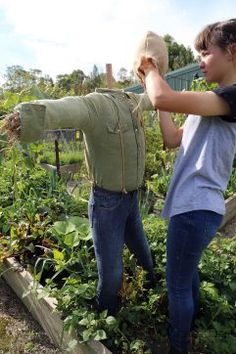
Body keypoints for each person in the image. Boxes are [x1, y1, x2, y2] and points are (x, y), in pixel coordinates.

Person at [2, 87, 157, 316]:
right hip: (107, 205)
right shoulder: (95, 105)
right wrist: (23, 117)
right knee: (112, 274)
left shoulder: (132, 100)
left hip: (131, 200)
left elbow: (155, 98)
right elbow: (65, 108)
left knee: (144, 255)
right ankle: (106, 319)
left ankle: (153, 295)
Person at [136, 19, 236, 354]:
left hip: (195, 207)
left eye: (206, 53)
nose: (200, 60)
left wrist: (150, 69)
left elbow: (162, 97)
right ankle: (189, 330)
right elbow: (171, 138)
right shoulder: (210, 102)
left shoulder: (232, 97)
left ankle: (178, 344)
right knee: (186, 274)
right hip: (196, 208)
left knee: (177, 284)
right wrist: (155, 87)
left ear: (232, 52)